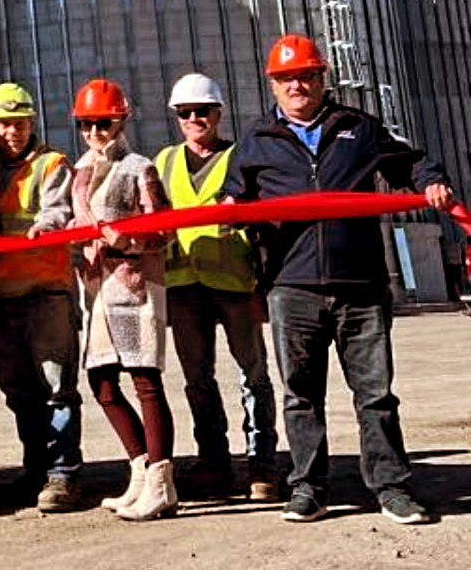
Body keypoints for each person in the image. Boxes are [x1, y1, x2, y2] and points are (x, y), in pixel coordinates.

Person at [223, 34, 456, 527]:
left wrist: (431, 181)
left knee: (375, 395)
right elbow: (234, 195)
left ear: (322, 78)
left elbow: (409, 162)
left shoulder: (357, 127)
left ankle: (391, 488)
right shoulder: (257, 138)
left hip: (361, 285)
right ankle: (309, 489)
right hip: (292, 285)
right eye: (287, 79)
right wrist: (229, 210)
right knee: (300, 396)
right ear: (273, 84)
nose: (297, 85)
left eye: (306, 75)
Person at [153, 72, 278, 503]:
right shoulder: (164, 161)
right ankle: (214, 460)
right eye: (185, 113)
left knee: (253, 375)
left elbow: (262, 220)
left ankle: (262, 464)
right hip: (183, 284)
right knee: (197, 379)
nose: (193, 119)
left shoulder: (241, 156)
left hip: (234, 283)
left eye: (201, 111)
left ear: (218, 113)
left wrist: (264, 283)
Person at [70, 78, 177, 522]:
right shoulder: (78, 170)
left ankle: (161, 482)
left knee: (144, 381)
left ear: (120, 120)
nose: (95, 132)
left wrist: (126, 238)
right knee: (102, 383)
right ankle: (139, 468)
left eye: (103, 123)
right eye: (86, 124)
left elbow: (167, 227)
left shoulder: (139, 167)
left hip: (134, 286)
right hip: (96, 292)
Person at [0, 82, 84, 512]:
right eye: (4, 124)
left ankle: (63, 473)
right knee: (19, 391)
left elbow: (58, 208)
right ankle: (36, 466)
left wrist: (47, 225)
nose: (13, 132)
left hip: (45, 293)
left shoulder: (52, 163)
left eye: (20, 123)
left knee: (57, 388)